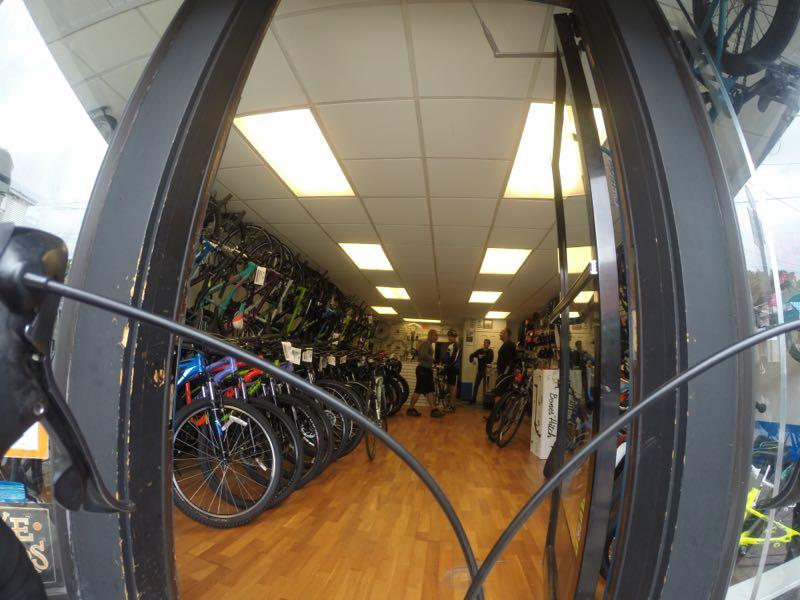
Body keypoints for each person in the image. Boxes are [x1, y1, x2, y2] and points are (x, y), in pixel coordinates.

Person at [407, 329, 443, 418]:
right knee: (419, 390)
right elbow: (422, 355)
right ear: (430, 335)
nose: (437, 337)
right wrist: (433, 359)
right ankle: (411, 409)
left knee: (430, 390)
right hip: (423, 370)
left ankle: (434, 410)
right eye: (436, 335)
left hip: (426, 370)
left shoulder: (429, 344)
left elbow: (423, 355)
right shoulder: (426, 343)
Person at [493, 328, 518, 407]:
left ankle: (496, 412)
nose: (500, 334)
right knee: (501, 392)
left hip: (505, 374)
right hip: (504, 373)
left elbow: (510, 361)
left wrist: (504, 373)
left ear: (506, 334)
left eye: (502, 333)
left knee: (499, 392)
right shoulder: (506, 344)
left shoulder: (509, 345)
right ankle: (499, 411)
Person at [469, 339, 493, 404]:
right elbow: (471, 355)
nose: (485, 344)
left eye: (486, 343)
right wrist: (472, 360)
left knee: (486, 387)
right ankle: (473, 400)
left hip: (486, 371)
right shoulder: (480, 350)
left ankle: (485, 401)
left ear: (489, 344)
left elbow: (490, 359)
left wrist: (481, 357)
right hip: (480, 371)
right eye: (484, 343)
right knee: (476, 385)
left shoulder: (490, 351)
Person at [443, 330, 461, 409]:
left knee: (453, 387)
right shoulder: (450, 346)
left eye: (452, 336)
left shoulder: (456, 346)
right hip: (450, 368)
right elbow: (447, 356)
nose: (450, 338)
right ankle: (449, 404)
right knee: (449, 386)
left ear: (455, 337)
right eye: (449, 336)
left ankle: (452, 405)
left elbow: (454, 358)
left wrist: (448, 364)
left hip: (454, 368)